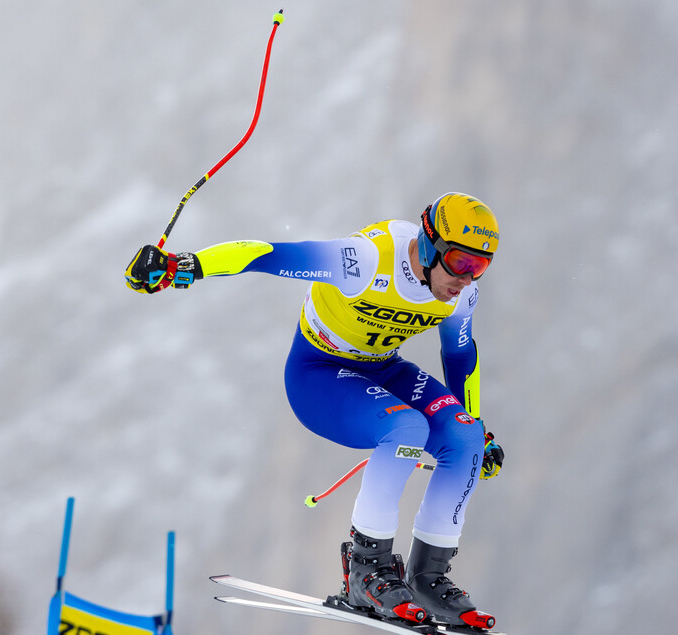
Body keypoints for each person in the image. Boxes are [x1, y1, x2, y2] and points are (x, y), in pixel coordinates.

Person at [124, 192, 505, 630]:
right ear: (430, 244)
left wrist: (478, 423)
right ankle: (367, 570)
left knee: (466, 438)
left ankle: (428, 579)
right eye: (461, 263)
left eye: (481, 267)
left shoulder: (460, 296)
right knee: (407, 427)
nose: (467, 279)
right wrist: (182, 266)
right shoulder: (364, 259)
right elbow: (264, 254)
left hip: (384, 370)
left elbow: (459, 357)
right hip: (318, 374)